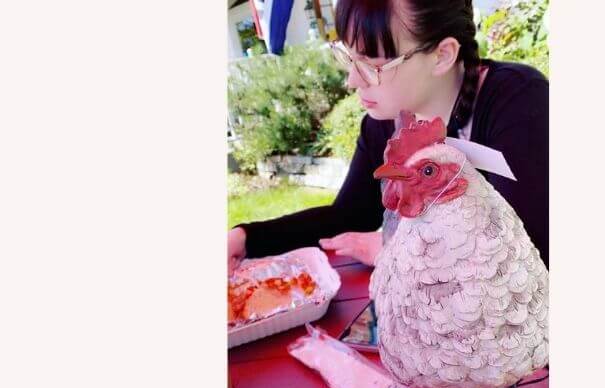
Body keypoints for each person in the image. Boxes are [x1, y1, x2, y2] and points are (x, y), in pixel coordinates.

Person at [228, 0, 548, 273]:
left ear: (442, 55)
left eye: (372, 65)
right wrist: (247, 238)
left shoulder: (518, 104)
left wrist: (399, 255)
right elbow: (350, 215)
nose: (353, 80)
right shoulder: (388, 121)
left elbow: (532, 249)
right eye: (349, 57)